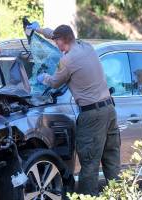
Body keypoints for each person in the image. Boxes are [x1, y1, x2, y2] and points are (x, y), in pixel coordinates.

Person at [27, 22, 121, 196]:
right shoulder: (87, 46)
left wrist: (42, 78)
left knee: (90, 164)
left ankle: (87, 198)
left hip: (92, 116)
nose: (56, 45)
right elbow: (54, 34)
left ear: (63, 40)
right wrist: (37, 29)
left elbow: (55, 82)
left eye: (57, 42)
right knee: (112, 161)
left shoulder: (67, 60)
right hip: (109, 111)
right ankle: (121, 196)